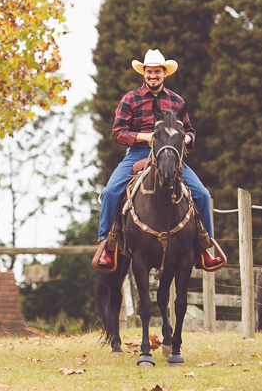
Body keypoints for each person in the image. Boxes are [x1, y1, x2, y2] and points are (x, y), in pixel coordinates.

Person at [94, 49, 225, 272]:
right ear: (143, 73)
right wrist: (143, 137)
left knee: (202, 194)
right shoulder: (130, 98)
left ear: (165, 73)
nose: (152, 75)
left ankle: (205, 247)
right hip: (137, 154)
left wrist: (186, 137)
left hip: (170, 155)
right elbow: (118, 132)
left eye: (157, 71)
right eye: (149, 71)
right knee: (109, 192)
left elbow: (191, 130)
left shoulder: (176, 101)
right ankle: (106, 244)